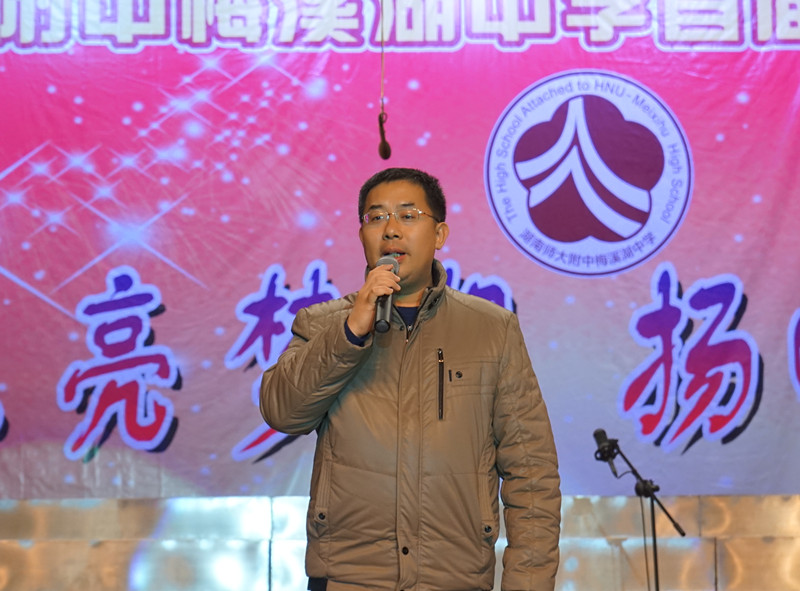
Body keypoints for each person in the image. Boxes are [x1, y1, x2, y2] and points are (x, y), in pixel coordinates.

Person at [260, 167, 561, 590]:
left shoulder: (493, 329)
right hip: (349, 577)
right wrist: (350, 332)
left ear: (439, 234)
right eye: (376, 217)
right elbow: (282, 411)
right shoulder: (324, 324)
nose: (391, 230)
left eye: (407, 215)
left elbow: (531, 473)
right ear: (362, 234)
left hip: (453, 578)